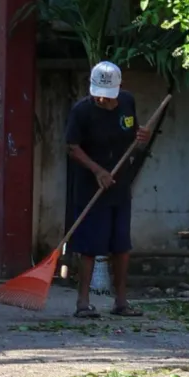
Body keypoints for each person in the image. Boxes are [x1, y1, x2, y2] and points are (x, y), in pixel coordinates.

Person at [64, 62, 142, 318]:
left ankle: (121, 302)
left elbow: (133, 136)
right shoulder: (82, 111)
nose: (102, 99)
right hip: (90, 186)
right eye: (98, 93)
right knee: (88, 245)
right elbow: (72, 147)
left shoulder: (128, 103)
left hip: (120, 184)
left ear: (118, 90)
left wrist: (141, 137)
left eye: (108, 96)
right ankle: (82, 303)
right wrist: (97, 171)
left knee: (121, 244)